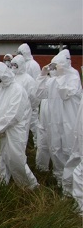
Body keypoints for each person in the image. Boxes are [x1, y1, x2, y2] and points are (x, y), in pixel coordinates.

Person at [0, 62, 39, 189]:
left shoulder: (17, 90)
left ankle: (29, 186)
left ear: (4, 76)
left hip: (15, 130)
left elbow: (14, 115)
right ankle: (2, 184)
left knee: (15, 159)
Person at [36, 53, 81, 186]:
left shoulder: (74, 76)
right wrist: (42, 75)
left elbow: (65, 93)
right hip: (54, 121)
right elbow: (39, 94)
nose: (54, 69)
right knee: (55, 149)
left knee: (69, 149)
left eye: (56, 66)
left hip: (69, 120)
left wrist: (61, 77)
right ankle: (60, 181)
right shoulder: (53, 80)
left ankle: (73, 182)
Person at [10, 55, 40, 147]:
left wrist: (29, 107)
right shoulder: (12, 77)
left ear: (21, 65)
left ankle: (33, 147)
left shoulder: (28, 79)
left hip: (25, 111)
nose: (14, 67)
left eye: (16, 65)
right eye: (13, 65)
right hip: (13, 110)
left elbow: (34, 97)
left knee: (23, 132)